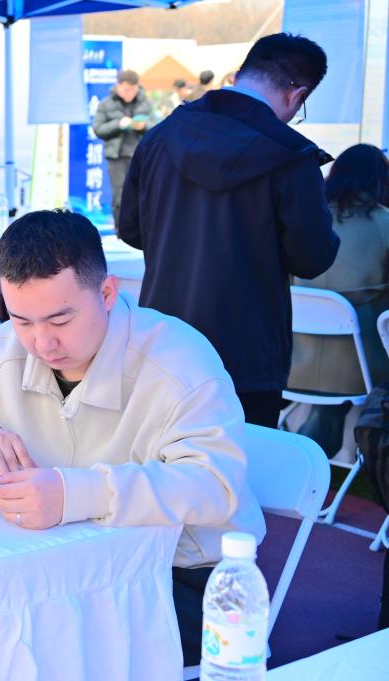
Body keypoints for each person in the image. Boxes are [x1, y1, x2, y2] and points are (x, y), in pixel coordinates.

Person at [0, 209, 265, 665]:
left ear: (107, 293)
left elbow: (214, 485)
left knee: (18, 644)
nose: (42, 343)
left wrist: (76, 493)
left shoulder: (180, 361)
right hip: (64, 561)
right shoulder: (4, 347)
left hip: (180, 576)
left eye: (60, 320)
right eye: (22, 320)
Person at [118, 32, 340, 428]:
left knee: (162, 458)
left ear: (239, 75)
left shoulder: (160, 136)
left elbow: (131, 229)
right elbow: (313, 258)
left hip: (163, 341)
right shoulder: (291, 156)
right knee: (244, 461)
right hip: (249, 354)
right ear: (297, 95)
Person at [290, 144, 389, 454]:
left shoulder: (305, 220)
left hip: (294, 363)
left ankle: (315, 438)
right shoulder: (384, 222)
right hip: (363, 368)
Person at [91, 69, 153, 224]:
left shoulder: (145, 102)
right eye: (126, 89)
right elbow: (98, 129)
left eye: (133, 89)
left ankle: (144, 231)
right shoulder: (106, 104)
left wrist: (144, 126)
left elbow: (158, 125)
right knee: (121, 195)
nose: (130, 93)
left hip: (142, 156)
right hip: (117, 157)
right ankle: (121, 230)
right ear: (118, 86)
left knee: (144, 194)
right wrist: (118, 124)